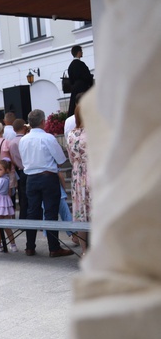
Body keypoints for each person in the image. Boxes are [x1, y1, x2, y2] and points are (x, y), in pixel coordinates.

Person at [20, 109, 73, 257]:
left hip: (31, 178)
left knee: (32, 212)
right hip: (48, 177)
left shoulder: (24, 139)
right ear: (43, 122)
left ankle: (29, 247)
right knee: (50, 212)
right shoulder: (48, 138)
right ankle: (54, 247)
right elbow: (61, 160)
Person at [66, 104, 91, 255]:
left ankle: (84, 251)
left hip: (77, 175)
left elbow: (70, 158)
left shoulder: (70, 135)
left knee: (81, 214)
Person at [0, 160, 18, 252]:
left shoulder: (0, 180)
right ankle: (13, 245)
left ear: (6, 170)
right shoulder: (6, 178)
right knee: (6, 226)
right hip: (5, 201)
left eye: (0, 169)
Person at [8, 119, 30, 219]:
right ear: (24, 127)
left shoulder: (12, 142)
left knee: (22, 196)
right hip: (30, 169)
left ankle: (23, 217)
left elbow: (12, 158)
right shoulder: (27, 139)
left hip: (20, 169)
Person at [67, 45, 94, 116]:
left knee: (74, 108)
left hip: (75, 90)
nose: (82, 53)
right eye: (81, 51)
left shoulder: (70, 66)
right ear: (78, 52)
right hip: (83, 89)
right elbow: (87, 77)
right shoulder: (81, 64)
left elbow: (71, 81)